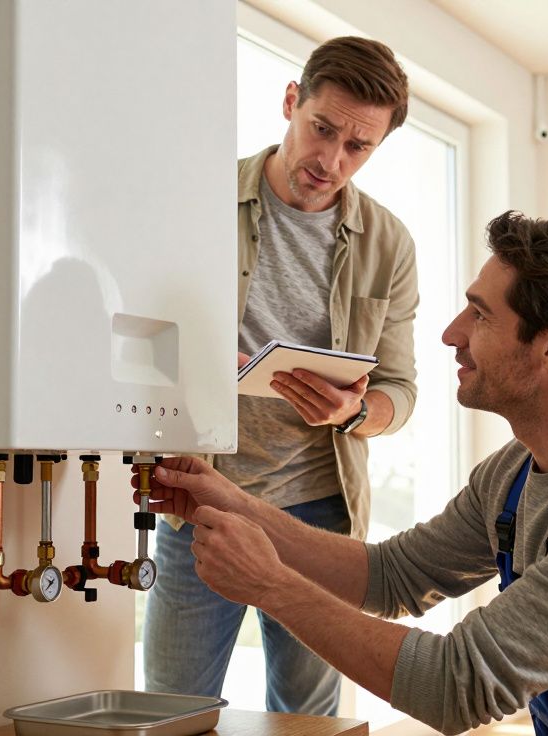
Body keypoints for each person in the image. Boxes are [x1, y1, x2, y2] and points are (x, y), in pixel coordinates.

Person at [137, 211, 548, 735]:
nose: (452, 334)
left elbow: (458, 688)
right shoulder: (515, 472)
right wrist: (228, 503)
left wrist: (270, 586)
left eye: (480, 314)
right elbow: (392, 577)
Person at [142, 36, 419, 716]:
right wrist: (192, 368)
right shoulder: (194, 200)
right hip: (200, 499)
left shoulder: (390, 243)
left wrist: (353, 412)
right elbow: (134, 331)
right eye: (322, 129)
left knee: (308, 719)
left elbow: (401, 392)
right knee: (174, 709)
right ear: (292, 101)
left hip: (321, 514)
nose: (331, 161)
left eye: (358, 147)